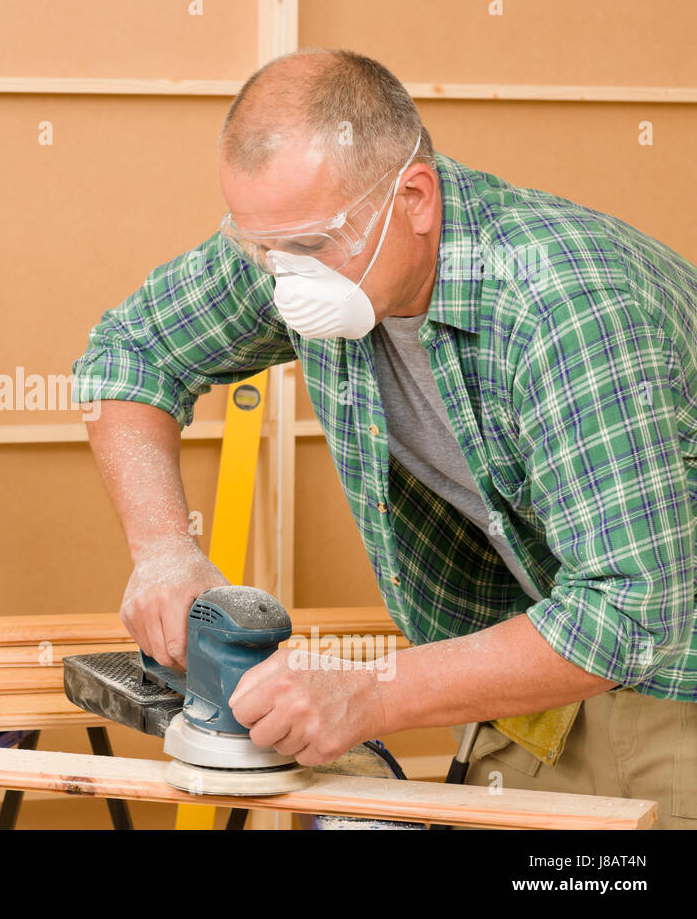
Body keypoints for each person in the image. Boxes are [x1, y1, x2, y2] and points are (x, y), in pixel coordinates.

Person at [71, 49, 697, 827]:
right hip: (539, 658)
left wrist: (371, 692)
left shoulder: (565, 310)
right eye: (259, 247)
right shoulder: (303, 246)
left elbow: (634, 615)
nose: (285, 278)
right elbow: (129, 352)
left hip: (673, 689)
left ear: (416, 197)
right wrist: (163, 547)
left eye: (306, 246)